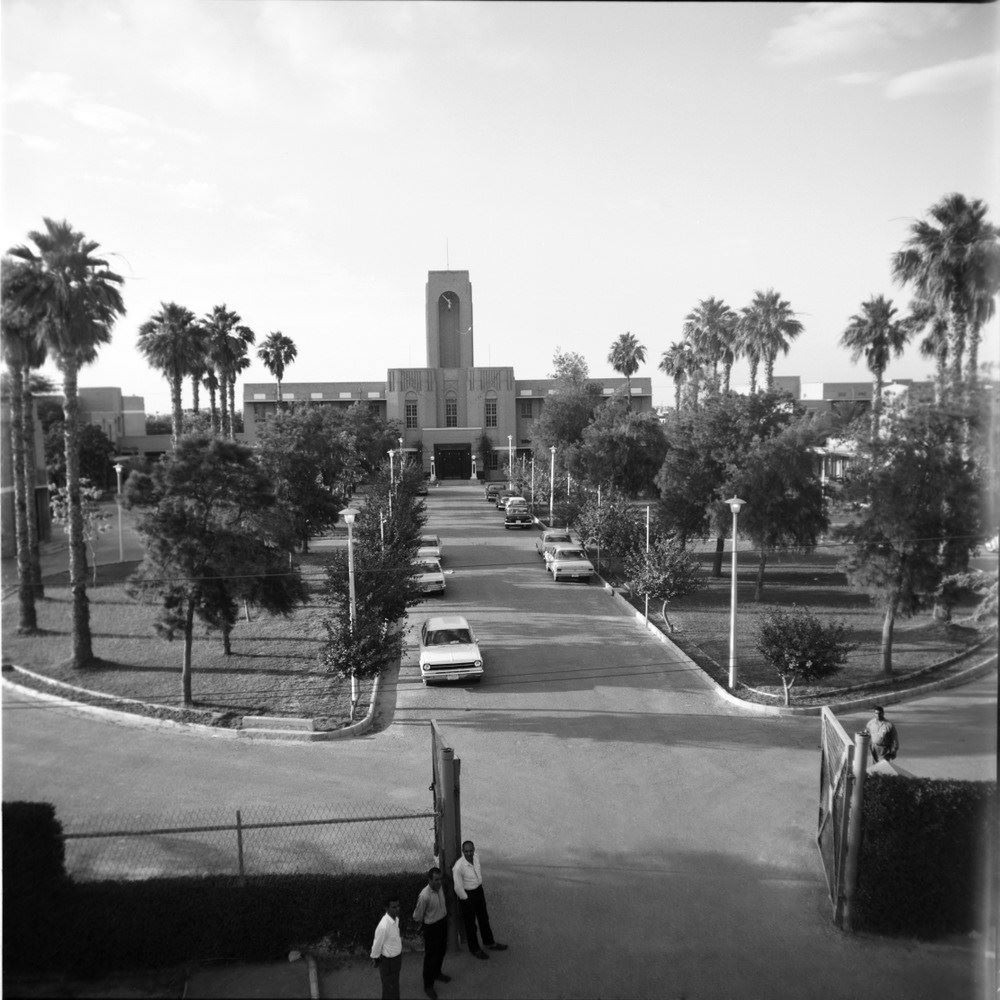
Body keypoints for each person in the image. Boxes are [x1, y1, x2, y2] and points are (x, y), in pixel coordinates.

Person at [452, 840, 507, 960]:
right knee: (470, 924)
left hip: (478, 891)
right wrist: (466, 899)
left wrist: (479, 888)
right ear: (463, 851)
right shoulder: (458, 867)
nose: (469, 853)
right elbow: (457, 887)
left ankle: (489, 942)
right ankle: (475, 949)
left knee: (484, 918)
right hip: (467, 895)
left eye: (471, 850)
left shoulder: (476, 858)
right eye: (466, 851)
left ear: (474, 850)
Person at [413, 866, 451, 1000]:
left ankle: (437, 973)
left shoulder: (440, 888)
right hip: (432, 928)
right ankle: (428, 986)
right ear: (429, 880)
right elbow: (417, 916)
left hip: (442, 923)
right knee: (430, 957)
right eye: (435, 880)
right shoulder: (424, 896)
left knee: (441, 951)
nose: (439, 882)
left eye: (440, 879)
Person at [370, 896, 403, 1000]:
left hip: (396, 959)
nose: (397, 909)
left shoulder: (396, 919)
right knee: (389, 987)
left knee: (394, 984)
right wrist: (375, 959)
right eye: (393, 907)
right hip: (388, 962)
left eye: (398, 906)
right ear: (386, 908)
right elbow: (376, 945)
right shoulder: (383, 926)